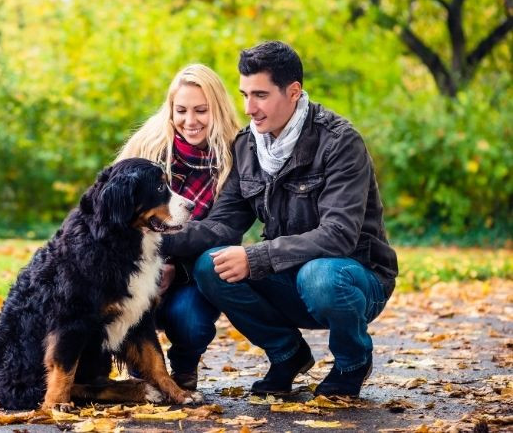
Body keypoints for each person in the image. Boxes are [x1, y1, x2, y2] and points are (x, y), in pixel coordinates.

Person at [160, 41, 398, 397]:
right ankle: (287, 354)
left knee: (319, 274)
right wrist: (152, 240)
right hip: (289, 277)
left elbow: (338, 235)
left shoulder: (338, 141)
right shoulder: (247, 146)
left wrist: (256, 257)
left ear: (293, 92)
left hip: (354, 278)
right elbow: (222, 225)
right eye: (244, 95)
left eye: (260, 95)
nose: (249, 108)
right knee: (212, 265)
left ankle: (353, 360)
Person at [116, 63, 240, 390]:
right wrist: (154, 265)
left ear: (219, 109)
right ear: (170, 108)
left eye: (201, 110)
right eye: (181, 110)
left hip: (190, 272)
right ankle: (140, 369)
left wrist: (175, 266)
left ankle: (185, 366)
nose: (190, 121)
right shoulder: (145, 148)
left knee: (190, 320)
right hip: (139, 265)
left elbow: (222, 231)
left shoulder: (234, 158)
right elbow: (114, 218)